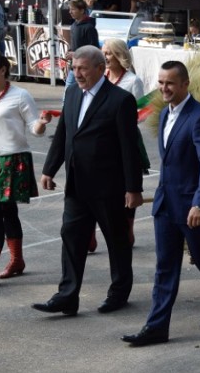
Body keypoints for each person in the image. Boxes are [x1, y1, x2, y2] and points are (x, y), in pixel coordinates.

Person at [122, 61, 200, 347]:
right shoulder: (165, 114)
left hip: (192, 207)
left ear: (185, 84)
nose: (163, 88)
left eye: (170, 83)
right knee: (165, 266)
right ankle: (156, 327)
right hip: (166, 206)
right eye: (160, 82)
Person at [32, 45, 143, 316]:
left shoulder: (120, 100)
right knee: (71, 237)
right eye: (74, 68)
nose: (76, 73)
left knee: (117, 242)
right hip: (76, 185)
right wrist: (49, 169)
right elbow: (64, 134)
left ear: (99, 68)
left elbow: (130, 148)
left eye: (82, 68)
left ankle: (118, 293)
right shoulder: (71, 93)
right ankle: (67, 296)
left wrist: (133, 188)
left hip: (109, 187)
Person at [0, 49, 51, 288]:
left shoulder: (20, 96)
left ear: (2, 69)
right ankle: (17, 260)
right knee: (7, 212)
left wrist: (41, 123)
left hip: (12, 159)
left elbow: (34, 127)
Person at [83, 38, 149, 252]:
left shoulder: (132, 81)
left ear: (120, 55)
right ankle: (89, 234)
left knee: (127, 184)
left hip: (124, 139)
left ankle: (127, 229)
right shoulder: (98, 79)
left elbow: (141, 113)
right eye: (103, 53)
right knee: (94, 186)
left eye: (109, 53)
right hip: (99, 141)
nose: (106, 57)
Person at [64, 0, 99, 94]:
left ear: (82, 10)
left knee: (86, 93)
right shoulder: (74, 25)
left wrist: (75, 54)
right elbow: (75, 44)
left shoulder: (89, 28)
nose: (70, 12)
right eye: (70, 9)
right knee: (68, 93)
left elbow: (94, 50)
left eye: (73, 9)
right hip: (74, 67)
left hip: (85, 69)